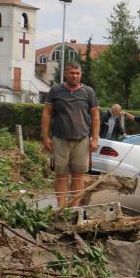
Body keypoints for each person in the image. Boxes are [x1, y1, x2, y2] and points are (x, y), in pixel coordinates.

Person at [41, 63, 99, 209]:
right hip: (60, 139)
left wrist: (95, 138)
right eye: (72, 73)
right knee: (61, 175)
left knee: (78, 175)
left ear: (81, 74)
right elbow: (47, 113)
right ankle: (61, 208)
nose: (75, 76)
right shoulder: (55, 90)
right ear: (65, 74)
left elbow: (95, 115)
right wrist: (45, 137)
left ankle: (74, 208)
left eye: (78, 73)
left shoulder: (88, 92)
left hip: (82, 140)